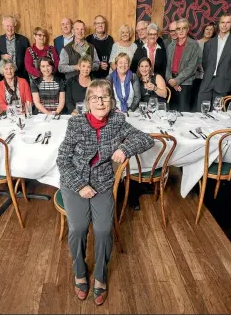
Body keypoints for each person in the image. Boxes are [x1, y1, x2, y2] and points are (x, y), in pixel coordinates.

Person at [56, 79, 154, 306]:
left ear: (111, 100)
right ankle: (79, 271)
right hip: (75, 183)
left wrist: (124, 148)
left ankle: (100, 275)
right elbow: (62, 159)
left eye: (105, 97)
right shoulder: (76, 123)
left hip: (102, 183)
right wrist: (80, 185)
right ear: (87, 102)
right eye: (94, 98)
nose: (100, 102)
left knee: (102, 230)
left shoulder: (118, 121)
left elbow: (146, 139)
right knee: (78, 227)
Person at [197, 12, 231, 109]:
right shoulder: (209, 43)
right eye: (222, 22)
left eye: (227, 22)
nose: (224, 25)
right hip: (207, 80)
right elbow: (205, 63)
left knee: (217, 113)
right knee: (201, 110)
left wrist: (225, 73)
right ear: (219, 24)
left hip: (223, 81)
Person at [165, 18, 200, 112]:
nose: (180, 31)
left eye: (183, 28)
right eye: (178, 28)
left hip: (185, 84)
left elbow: (191, 68)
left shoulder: (194, 45)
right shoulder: (171, 46)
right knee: (171, 111)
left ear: (188, 29)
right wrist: (170, 80)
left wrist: (176, 81)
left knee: (183, 112)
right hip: (171, 83)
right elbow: (167, 65)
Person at [0, 16, 30, 80]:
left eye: (12, 26)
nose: (10, 28)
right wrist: (1, 56)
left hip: (21, 75)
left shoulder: (24, 40)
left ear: (15, 26)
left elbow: (28, 59)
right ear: (3, 27)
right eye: (7, 26)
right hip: (4, 77)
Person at [193, 22, 217, 110]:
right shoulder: (196, 43)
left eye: (211, 30)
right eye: (207, 29)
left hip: (210, 76)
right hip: (197, 75)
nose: (209, 31)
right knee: (196, 97)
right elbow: (193, 58)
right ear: (203, 30)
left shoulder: (215, 44)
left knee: (207, 100)